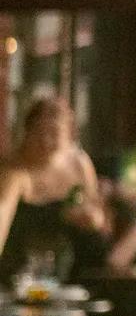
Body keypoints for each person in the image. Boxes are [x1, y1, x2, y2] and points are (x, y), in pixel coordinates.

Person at [0, 92, 110, 283]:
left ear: (68, 136)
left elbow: (96, 214)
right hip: (23, 268)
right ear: (27, 132)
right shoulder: (16, 171)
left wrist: (92, 218)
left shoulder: (79, 164)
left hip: (75, 269)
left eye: (54, 133)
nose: (45, 141)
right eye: (39, 132)